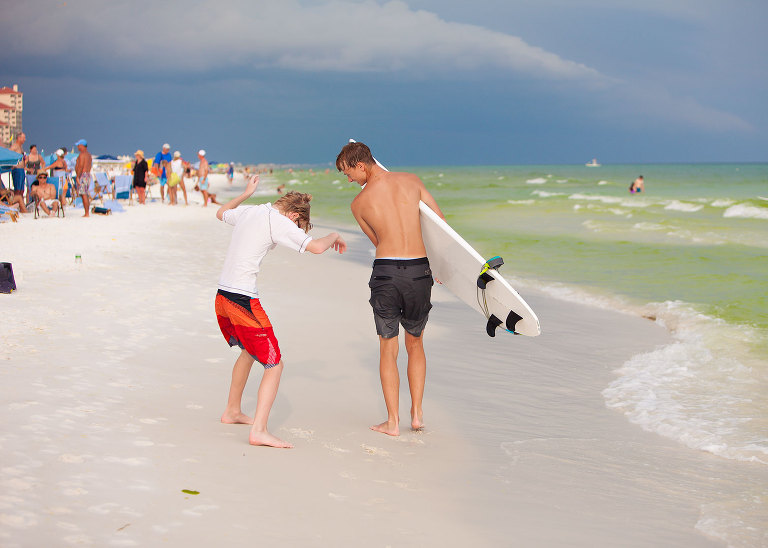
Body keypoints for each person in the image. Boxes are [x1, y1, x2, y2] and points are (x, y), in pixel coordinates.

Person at [214, 174, 347, 447]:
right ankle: (259, 431)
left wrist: (247, 193)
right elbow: (316, 248)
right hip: (242, 299)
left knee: (249, 351)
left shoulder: (252, 211)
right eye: (298, 225)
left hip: (222, 297)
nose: (296, 230)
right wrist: (335, 235)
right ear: (294, 215)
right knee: (275, 364)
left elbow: (221, 212)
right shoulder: (278, 221)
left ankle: (232, 411)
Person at [336, 141, 445, 436]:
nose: (349, 180)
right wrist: (441, 267)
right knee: (416, 343)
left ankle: (393, 422)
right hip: (419, 271)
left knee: (388, 347)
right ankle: (417, 414)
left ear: (361, 165)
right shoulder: (412, 181)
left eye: (348, 173)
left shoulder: (358, 204)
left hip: (386, 273)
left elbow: (378, 242)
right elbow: (439, 224)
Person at [74, 139, 92, 217]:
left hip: (83, 175)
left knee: (83, 194)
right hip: (87, 174)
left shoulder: (82, 154)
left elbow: (81, 166)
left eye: (78, 145)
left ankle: (86, 213)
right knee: (84, 194)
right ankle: (87, 212)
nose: (77, 147)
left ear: (82, 146)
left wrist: (78, 176)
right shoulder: (89, 155)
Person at [9, 132, 26, 199]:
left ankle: (20, 202)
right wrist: (12, 166)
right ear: (19, 138)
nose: (24, 139)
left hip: (21, 170)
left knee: (22, 190)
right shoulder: (14, 146)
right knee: (18, 189)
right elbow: (9, 154)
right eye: (23, 138)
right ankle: (16, 201)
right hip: (17, 169)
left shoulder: (20, 147)